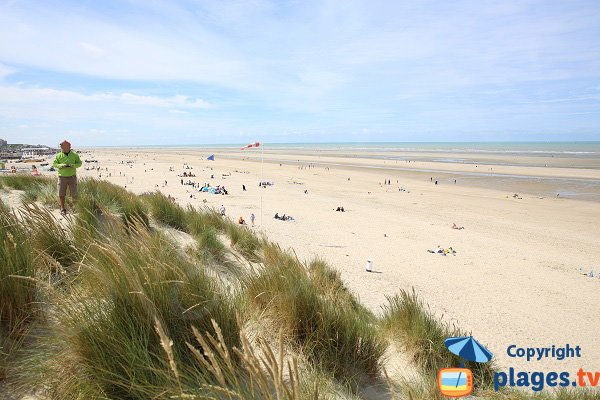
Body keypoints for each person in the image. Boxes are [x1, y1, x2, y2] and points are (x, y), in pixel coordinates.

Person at [52, 139, 82, 215]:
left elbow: (79, 163)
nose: (62, 147)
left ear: (69, 146)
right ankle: (62, 208)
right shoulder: (58, 155)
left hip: (72, 177)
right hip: (62, 177)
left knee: (74, 194)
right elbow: (54, 164)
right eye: (61, 146)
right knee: (61, 194)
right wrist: (61, 165)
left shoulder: (75, 155)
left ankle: (75, 208)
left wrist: (72, 165)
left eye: (64, 146)